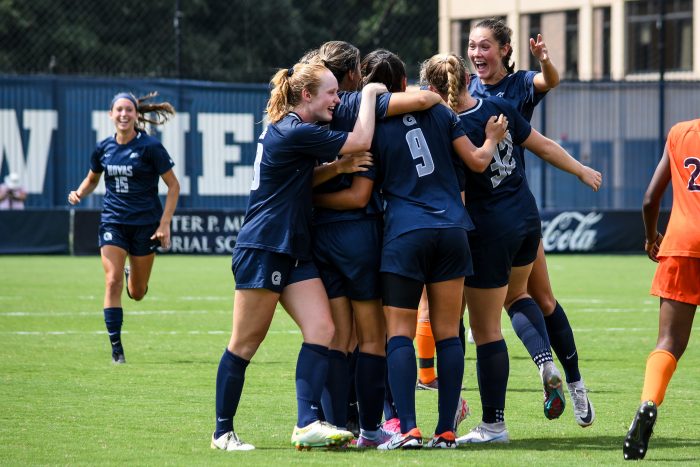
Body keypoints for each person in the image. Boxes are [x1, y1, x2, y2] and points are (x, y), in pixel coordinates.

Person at [420, 52, 601, 443]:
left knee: (484, 331)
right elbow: (543, 145)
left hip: (487, 231)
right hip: (526, 220)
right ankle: (544, 362)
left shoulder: (445, 124)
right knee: (518, 296)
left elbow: (465, 184)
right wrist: (582, 169)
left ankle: (493, 425)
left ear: (433, 89)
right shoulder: (498, 105)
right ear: (468, 79)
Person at [210, 61, 387, 451]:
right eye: (331, 93)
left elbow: (301, 178)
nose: (337, 100)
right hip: (265, 246)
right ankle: (222, 431)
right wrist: (372, 95)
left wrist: (337, 166)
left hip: (293, 248)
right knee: (245, 344)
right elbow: (360, 140)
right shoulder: (294, 129)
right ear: (306, 95)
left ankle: (307, 422)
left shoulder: (295, 131)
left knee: (323, 330)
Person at [357, 49, 507, 450]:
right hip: (452, 230)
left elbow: (364, 191)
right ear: (404, 83)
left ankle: (407, 428)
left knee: (400, 335)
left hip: (405, 233)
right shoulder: (441, 112)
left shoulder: (371, 125)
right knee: (448, 335)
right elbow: (476, 162)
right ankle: (446, 430)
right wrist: (491, 139)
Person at [306, 40, 445, 447]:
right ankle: (372, 427)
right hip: (358, 234)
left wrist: (309, 197)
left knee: (337, 336)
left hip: (319, 236)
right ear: (353, 75)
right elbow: (425, 99)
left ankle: (336, 422)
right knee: (373, 337)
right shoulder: (354, 106)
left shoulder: (307, 110)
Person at [466, 17, 595, 427]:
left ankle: (572, 384)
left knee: (537, 299)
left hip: (499, 212)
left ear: (505, 49)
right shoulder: (466, 94)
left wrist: (546, 62)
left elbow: (548, 82)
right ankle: (557, 376)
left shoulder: (518, 85)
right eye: (471, 46)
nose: (476, 54)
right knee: (529, 298)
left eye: (485, 46)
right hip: (515, 211)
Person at [68, 91, 180, 364]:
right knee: (112, 280)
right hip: (113, 223)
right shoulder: (103, 147)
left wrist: (164, 224)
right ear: (111, 115)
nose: (123, 115)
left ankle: (134, 277)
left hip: (145, 226)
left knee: (138, 293)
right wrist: (80, 193)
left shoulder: (150, 147)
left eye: (128, 110)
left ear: (136, 115)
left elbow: (173, 185)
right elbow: (93, 178)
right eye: (118, 110)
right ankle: (116, 349)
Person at [623, 118, 700, 460]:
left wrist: (652, 235)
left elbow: (650, 198)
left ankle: (648, 403)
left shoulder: (679, 133)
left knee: (668, 342)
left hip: (681, 242)